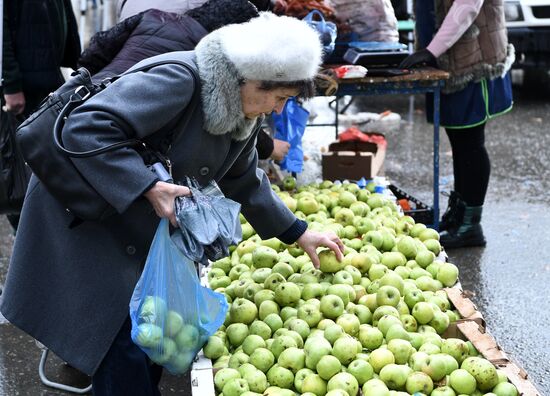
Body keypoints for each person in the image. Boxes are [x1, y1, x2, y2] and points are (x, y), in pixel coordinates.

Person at [0, 13, 344, 395]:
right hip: (88, 219)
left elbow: (244, 180)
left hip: (132, 226)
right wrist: (147, 185)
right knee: (120, 345)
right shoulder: (182, 80)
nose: (278, 110)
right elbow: (85, 126)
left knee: (145, 341)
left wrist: (299, 232)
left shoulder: (239, 110)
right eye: (279, 98)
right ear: (250, 78)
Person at [80, 0, 289, 163]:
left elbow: (91, 55)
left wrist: (103, 82)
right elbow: (229, 113)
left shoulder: (153, 17)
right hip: (118, 131)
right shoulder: (206, 63)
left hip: (84, 104)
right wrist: (268, 148)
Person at [399, 0, 514, 248]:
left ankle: (471, 225)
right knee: (460, 142)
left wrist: (431, 50)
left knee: (471, 143)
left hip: (473, 59)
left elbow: (468, 5)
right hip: (449, 58)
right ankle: (458, 217)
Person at [2, 0, 81, 230]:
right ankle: (25, 230)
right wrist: (11, 85)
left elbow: (65, 15)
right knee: (19, 164)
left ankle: (46, 227)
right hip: (23, 88)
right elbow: (1, 30)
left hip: (49, 79)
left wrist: (78, 61)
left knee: (51, 158)